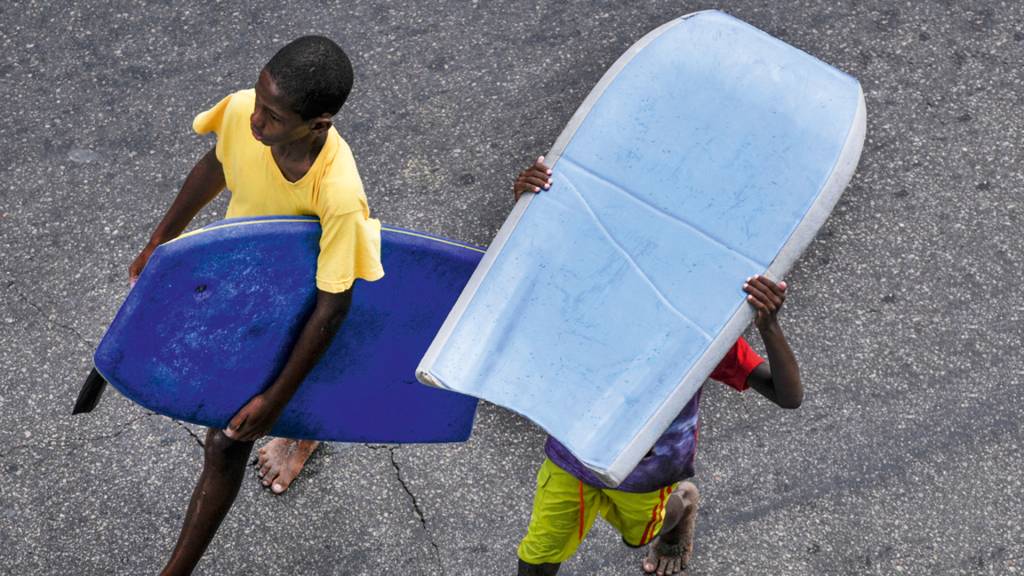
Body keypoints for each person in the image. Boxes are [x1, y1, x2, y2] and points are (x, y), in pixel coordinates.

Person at [128, 36, 384, 576]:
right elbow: (215, 165)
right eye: (259, 98)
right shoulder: (246, 109)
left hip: (299, 310)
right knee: (238, 426)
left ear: (319, 123)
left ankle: (175, 571)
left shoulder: (338, 193)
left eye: (273, 114)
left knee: (227, 442)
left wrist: (272, 400)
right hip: (244, 293)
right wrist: (159, 242)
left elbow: (332, 308)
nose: (255, 119)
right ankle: (304, 420)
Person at [511, 158, 804, 575]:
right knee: (539, 556)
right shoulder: (582, 296)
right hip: (571, 459)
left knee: (644, 532)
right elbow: (519, 274)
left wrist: (769, 326)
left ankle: (681, 509)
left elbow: (787, 395)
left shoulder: (700, 338)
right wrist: (529, 205)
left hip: (648, 473)